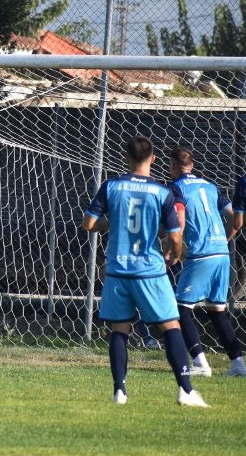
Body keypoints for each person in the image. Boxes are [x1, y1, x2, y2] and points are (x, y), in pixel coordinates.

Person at [80, 136, 208, 407]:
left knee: (120, 328)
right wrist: (175, 253)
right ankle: (186, 391)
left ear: (126, 157)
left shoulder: (111, 186)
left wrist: (111, 223)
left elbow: (89, 223)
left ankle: (119, 391)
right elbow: (175, 236)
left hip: (117, 269)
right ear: (153, 159)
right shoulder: (163, 192)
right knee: (171, 325)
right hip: (149, 270)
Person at [169, 145, 246, 377]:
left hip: (201, 254)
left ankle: (201, 363)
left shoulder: (176, 188)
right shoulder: (211, 187)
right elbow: (235, 218)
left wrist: (173, 248)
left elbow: (180, 221)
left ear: (173, 166)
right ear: (192, 165)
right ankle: (238, 365)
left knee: (180, 308)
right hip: (222, 253)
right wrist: (223, 239)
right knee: (217, 310)